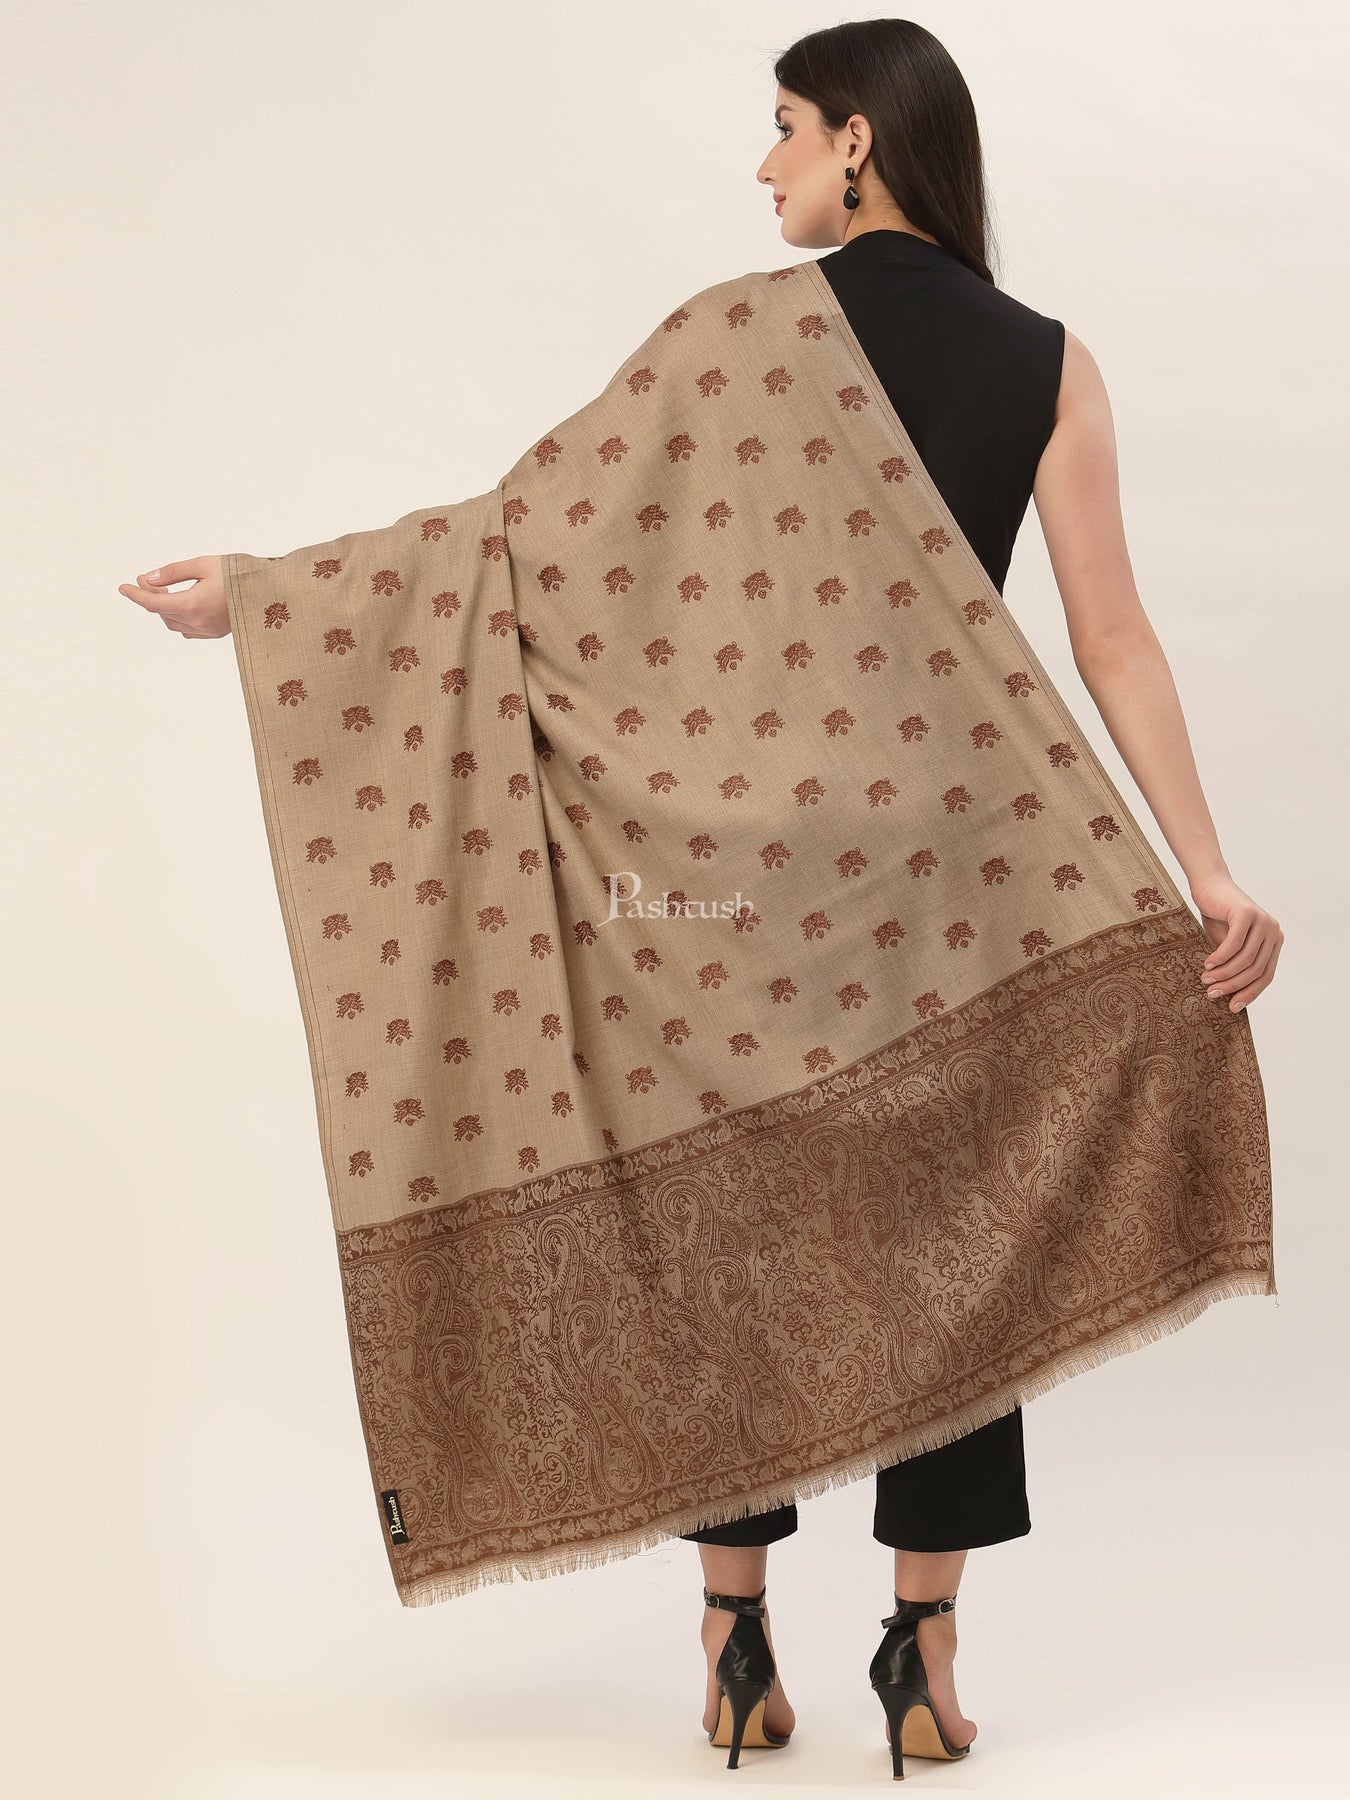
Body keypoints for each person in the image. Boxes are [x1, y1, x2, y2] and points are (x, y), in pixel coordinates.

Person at [119, 17, 1283, 1779]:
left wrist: (274, 596)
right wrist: (1204, 869)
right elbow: (1111, 635)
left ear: (858, 144)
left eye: (785, 127)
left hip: (727, 893)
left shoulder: (733, 338)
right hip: (952, 882)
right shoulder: (1050, 362)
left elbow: (507, 548)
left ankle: (734, 1643)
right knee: (958, 1240)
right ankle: (922, 1656)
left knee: (733, 1230)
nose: (764, 165)